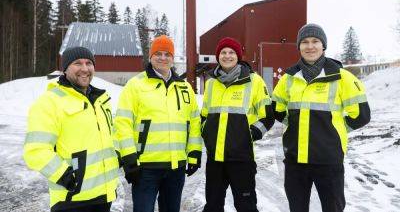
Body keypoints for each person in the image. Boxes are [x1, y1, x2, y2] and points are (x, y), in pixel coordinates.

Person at [272, 23, 371, 212]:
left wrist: (335, 129)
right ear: (299, 47)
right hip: (295, 160)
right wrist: (294, 125)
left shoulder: (342, 77)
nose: (310, 46)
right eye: (305, 42)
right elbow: (277, 109)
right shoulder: (289, 78)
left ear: (323, 45)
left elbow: (361, 115)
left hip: (329, 160)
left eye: (315, 41)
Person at [23, 46, 120, 212]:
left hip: (104, 195)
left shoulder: (101, 100)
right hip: (71, 199)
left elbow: (112, 133)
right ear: (65, 69)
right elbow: (35, 150)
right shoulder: (49, 102)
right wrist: (63, 175)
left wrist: (116, 154)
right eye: (77, 63)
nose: (84, 68)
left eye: (89, 63)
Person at [114, 35, 202, 212]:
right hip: (145, 168)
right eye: (158, 53)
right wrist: (129, 158)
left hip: (176, 167)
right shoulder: (135, 85)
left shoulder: (184, 88)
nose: (163, 58)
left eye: (167, 54)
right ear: (150, 56)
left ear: (172, 57)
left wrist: (194, 152)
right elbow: (123, 123)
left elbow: (193, 122)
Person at [201, 37, 275, 212]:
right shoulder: (211, 83)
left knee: (246, 207)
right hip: (215, 160)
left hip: (242, 160)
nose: (227, 56)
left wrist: (248, 135)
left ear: (238, 56)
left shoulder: (254, 81)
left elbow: (268, 117)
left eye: (231, 52)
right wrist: (207, 133)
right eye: (223, 53)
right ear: (218, 56)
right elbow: (204, 115)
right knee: (212, 207)